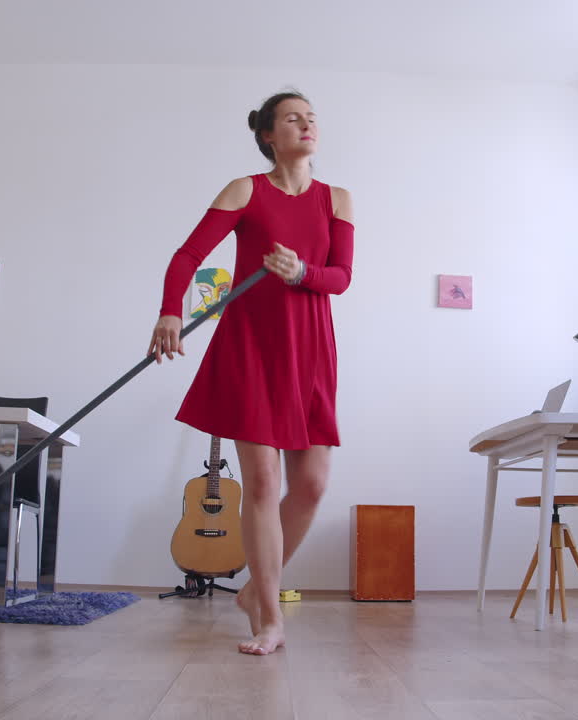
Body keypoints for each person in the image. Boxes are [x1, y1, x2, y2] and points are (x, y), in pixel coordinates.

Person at [150, 91, 354, 655]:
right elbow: (188, 255)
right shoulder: (247, 189)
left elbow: (340, 278)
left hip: (311, 350)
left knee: (311, 485)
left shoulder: (337, 200)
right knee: (262, 482)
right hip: (252, 347)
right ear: (268, 134)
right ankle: (269, 617)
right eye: (293, 118)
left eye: (313, 116)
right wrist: (171, 310)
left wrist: (301, 271)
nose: (307, 123)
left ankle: (252, 593)